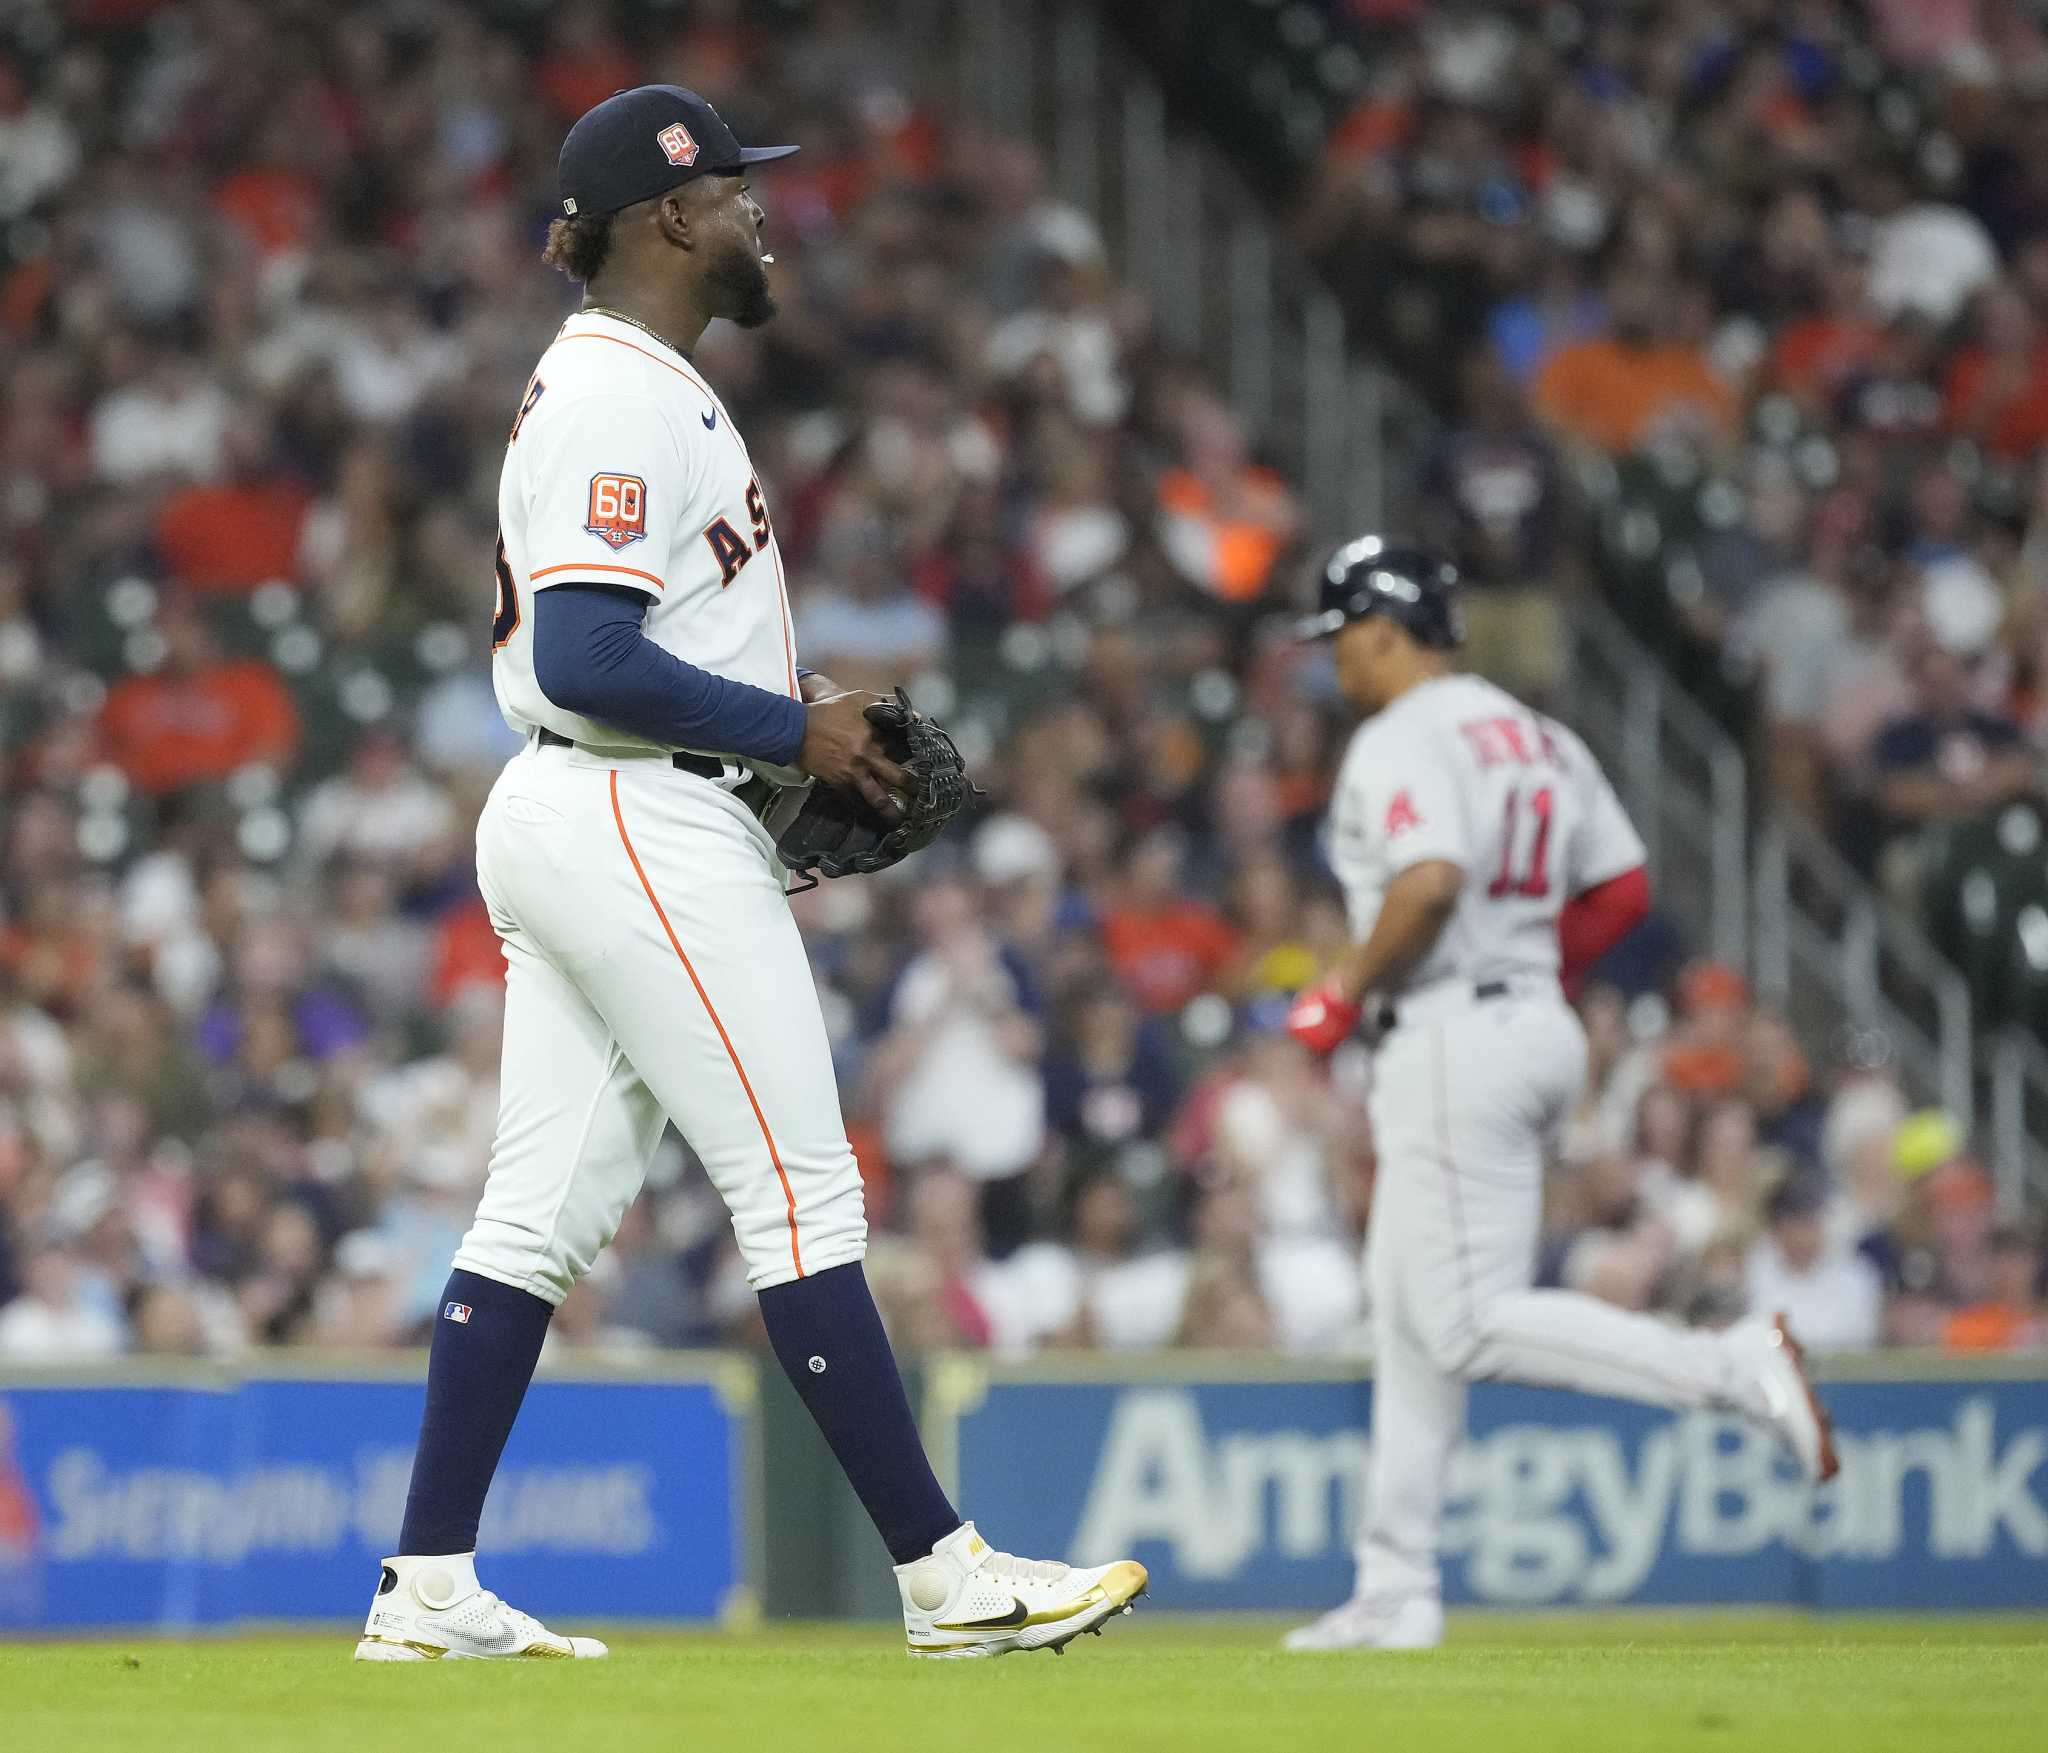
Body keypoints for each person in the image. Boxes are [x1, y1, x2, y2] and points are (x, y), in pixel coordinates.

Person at [359, 87, 1142, 1665]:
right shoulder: (615, 395)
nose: (759, 211)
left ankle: (427, 1585)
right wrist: (796, 728)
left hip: (609, 808)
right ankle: (946, 1577)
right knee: (801, 1193)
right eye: (732, 190)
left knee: (538, 1218)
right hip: (632, 807)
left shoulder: (643, 385)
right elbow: (584, 656)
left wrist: (781, 720)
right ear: (663, 218)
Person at [1278, 537, 1837, 1653]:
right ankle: (1393, 1585)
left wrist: (1342, 989)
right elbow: (1622, 887)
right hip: (1526, 1020)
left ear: (1384, 631)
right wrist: (1535, 969)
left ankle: (1729, 1366)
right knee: (1406, 1319)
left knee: (1465, 1321)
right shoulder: (1532, 731)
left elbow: (1428, 878)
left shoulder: (1398, 736)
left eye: (1341, 634)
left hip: (1445, 1029)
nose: (1333, 658)